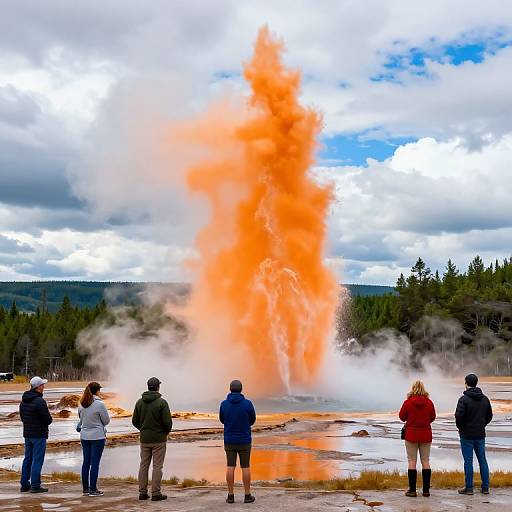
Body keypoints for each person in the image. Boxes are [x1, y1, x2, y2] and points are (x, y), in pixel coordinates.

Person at [132, 377, 172, 502]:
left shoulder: (139, 402)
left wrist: (143, 429)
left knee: (143, 465)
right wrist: (164, 432)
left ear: (148, 386)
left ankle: (142, 492)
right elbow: (168, 423)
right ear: (158, 387)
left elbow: (134, 421)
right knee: (157, 467)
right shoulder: (162, 403)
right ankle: (156, 493)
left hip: (144, 439)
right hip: (159, 440)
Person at [219, 379, 256, 504]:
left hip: (229, 440)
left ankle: (230, 495)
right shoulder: (248, 404)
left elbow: (222, 419)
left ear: (230, 389)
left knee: (230, 466)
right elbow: (252, 420)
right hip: (244, 440)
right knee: (245, 467)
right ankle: (247, 495)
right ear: (241, 389)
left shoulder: (224, 404)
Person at [455, 373, 493, 495]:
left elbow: (459, 417)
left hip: (466, 435)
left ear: (466, 383)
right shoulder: (485, 399)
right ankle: (485, 487)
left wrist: (461, 429)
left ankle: (469, 488)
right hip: (480, 434)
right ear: (476, 383)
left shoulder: (463, 400)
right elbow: (489, 416)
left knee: (468, 461)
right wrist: (482, 425)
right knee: (482, 460)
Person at [399, 380, 436, 498]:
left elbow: (402, 417)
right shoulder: (429, 402)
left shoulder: (408, 403)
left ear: (412, 389)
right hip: (425, 434)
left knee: (411, 461)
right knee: (426, 461)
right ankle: (426, 491)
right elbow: (433, 417)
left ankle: (412, 490)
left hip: (411, 435)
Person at [19, 376, 53, 493]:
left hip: (27, 434)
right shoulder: (39, 401)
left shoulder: (23, 400)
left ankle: (24, 484)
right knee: (37, 460)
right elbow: (47, 419)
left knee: (28, 459)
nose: (44, 387)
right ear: (38, 387)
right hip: (38, 435)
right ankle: (35, 485)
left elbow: (23, 418)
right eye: (42, 385)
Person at [77, 382, 110, 497]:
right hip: (97, 437)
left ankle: (86, 489)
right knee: (95, 462)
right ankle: (93, 489)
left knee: (86, 462)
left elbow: (80, 420)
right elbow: (106, 421)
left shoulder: (81, 403)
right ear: (97, 391)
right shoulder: (99, 404)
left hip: (84, 436)